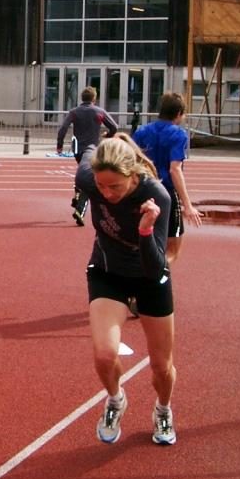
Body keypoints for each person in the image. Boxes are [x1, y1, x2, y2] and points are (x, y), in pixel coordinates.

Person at [75, 133, 177, 447]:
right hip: (108, 272)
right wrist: (100, 141)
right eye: (101, 186)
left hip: (149, 276)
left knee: (161, 366)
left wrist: (145, 230)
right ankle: (116, 399)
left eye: (115, 187)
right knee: (105, 355)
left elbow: (155, 267)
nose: (106, 193)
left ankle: (163, 409)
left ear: (132, 175)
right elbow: (88, 150)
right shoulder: (88, 178)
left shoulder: (156, 195)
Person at [132, 92, 203, 264]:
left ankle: (139, 273)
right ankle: (156, 274)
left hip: (142, 191)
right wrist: (188, 205)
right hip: (167, 193)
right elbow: (175, 169)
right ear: (179, 113)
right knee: (172, 250)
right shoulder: (178, 135)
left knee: (139, 240)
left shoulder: (142, 132)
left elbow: (131, 162)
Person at [56, 87, 118, 226]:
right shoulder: (99, 112)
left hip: (78, 150)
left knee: (84, 173)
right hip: (92, 150)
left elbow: (63, 129)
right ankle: (80, 208)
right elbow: (114, 127)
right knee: (89, 178)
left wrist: (59, 145)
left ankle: (78, 194)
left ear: (82, 98)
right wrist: (107, 135)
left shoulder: (74, 112)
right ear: (94, 99)